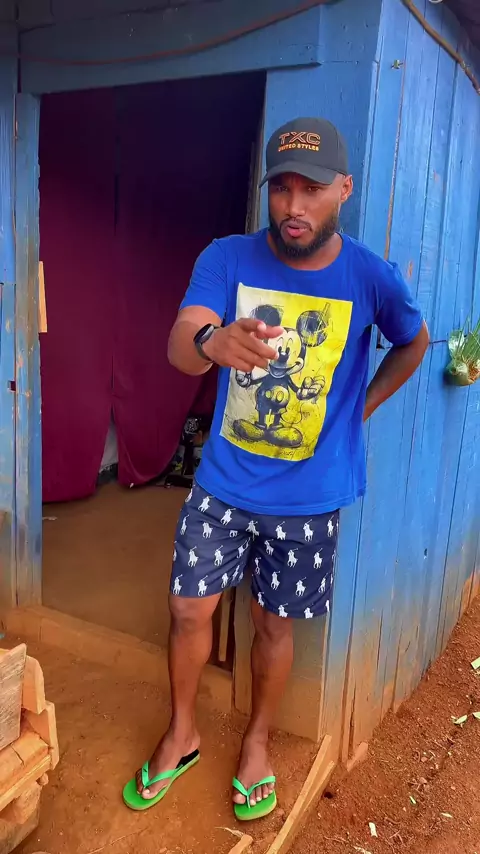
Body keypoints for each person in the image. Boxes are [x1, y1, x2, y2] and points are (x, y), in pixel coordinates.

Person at [122, 117, 429, 819]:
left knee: (273, 626)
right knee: (187, 607)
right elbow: (180, 344)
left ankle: (257, 741)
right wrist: (211, 339)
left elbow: (413, 344)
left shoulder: (371, 277)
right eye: (282, 189)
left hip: (310, 497)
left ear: (343, 189)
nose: (294, 207)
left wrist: (360, 410)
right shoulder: (227, 257)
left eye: (311, 190)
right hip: (223, 483)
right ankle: (181, 732)